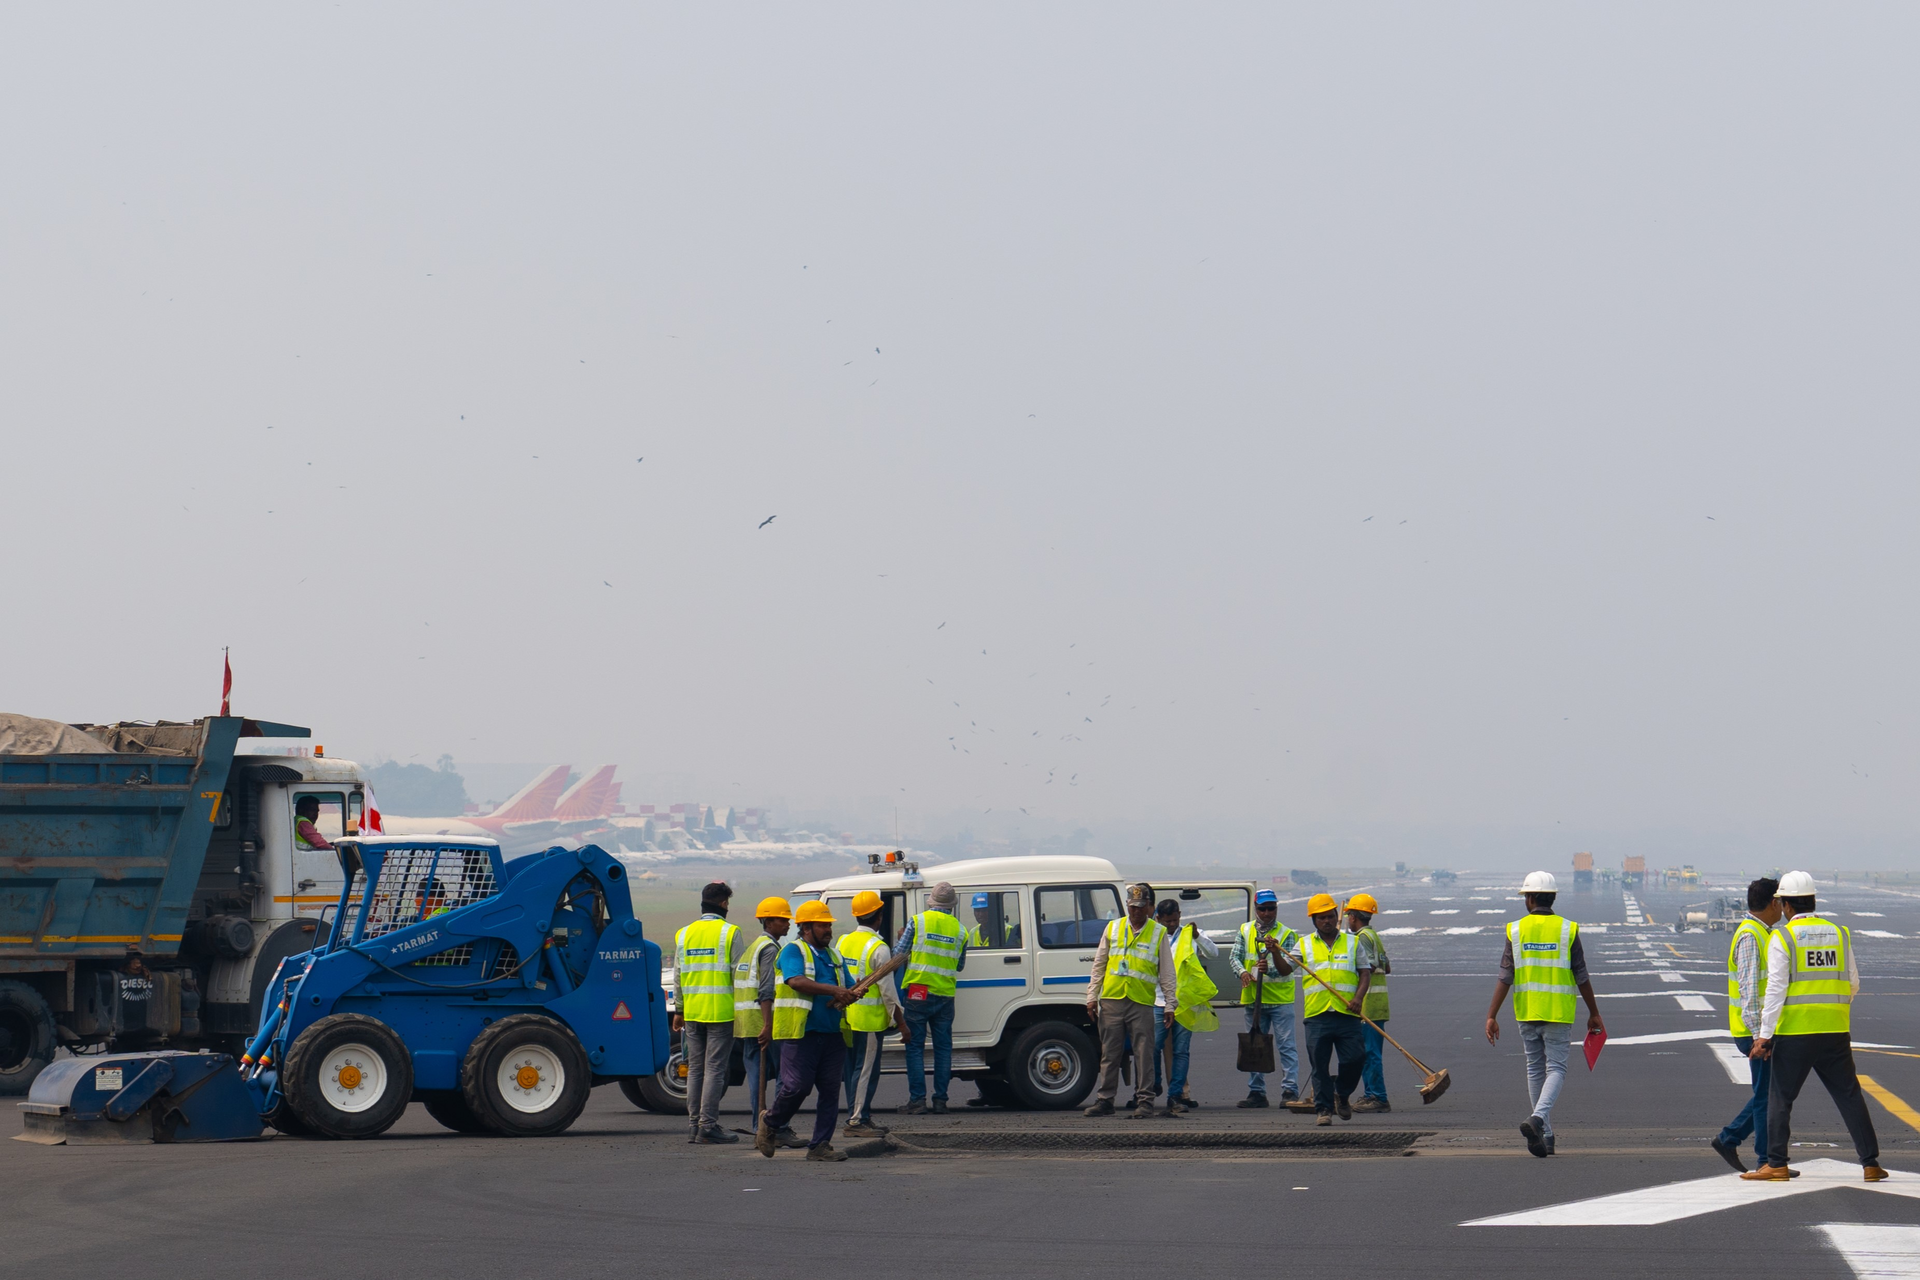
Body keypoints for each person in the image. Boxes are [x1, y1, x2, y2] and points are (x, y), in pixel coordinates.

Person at [1741, 870, 1886, 1183]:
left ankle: (1776, 1163)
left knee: (1781, 1097)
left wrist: (1764, 1036)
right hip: (1835, 1030)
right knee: (1850, 1095)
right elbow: (1853, 983)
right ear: (1813, 901)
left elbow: (1776, 989)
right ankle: (1871, 1163)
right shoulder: (1839, 932)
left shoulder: (1784, 937)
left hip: (1795, 1033)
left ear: (1787, 905)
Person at [1485, 871, 1605, 1157]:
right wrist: (1594, 1012)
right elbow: (1582, 975)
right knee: (1557, 1069)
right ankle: (1539, 1119)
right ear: (1552, 898)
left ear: (1529, 898)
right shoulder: (1567, 929)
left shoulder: (1515, 930)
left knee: (1535, 1068)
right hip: (1558, 1013)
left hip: (1526, 1011)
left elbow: (1505, 976)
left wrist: (1491, 1015)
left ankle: (1546, 1135)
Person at [757, 901, 859, 1162]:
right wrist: (836, 991)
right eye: (822, 925)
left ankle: (820, 1146)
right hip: (799, 1032)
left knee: (829, 1091)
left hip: (832, 1032)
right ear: (805, 927)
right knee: (797, 1087)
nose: (828, 930)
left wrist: (854, 992)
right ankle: (770, 1122)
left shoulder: (835, 956)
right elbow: (796, 981)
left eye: (829, 925)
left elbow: (847, 985)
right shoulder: (793, 951)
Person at [1084, 883, 1177, 1119]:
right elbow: (1099, 964)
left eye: (1140, 906)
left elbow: (1167, 971)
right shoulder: (1113, 928)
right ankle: (1105, 1100)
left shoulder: (1157, 932)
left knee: (1145, 1053)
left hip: (1141, 1002)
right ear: (1126, 906)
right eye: (1132, 907)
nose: (1136, 911)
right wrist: (1091, 996)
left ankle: (1145, 1101)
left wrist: (1169, 1003)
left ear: (1148, 907)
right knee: (1110, 1053)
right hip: (1113, 999)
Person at [1709, 878, 1781, 1172]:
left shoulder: (1761, 933)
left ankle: (1736, 1141)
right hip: (1754, 1031)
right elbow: (1750, 992)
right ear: (1774, 903)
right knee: (1766, 1096)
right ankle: (1763, 1158)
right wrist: (1759, 1037)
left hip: (1759, 1030)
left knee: (1768, 1093)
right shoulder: (1752, 936)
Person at [672, 881, 743, 1144]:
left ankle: (693, 1126)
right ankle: (708, 1125)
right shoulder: (730, 932)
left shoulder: (684, 933)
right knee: (715, 1070)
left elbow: (678, 976)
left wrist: (679, 1010)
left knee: (695, 1069)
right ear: (724, 904)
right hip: (721, 1013)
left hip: (691, 1012)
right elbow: (739, 975)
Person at [1295, 893, 1374, 1126]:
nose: (1326, 921)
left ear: (1336, 917)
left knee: (1356, 1058)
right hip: (1317, 1015)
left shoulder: (1353, 942)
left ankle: (1342, 1092)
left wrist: (1359, 998)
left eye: (1330, 916)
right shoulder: (1304, 944)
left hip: (1347, 1013)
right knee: (1319, 1065)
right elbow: (1283, 968)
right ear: (1314, 921)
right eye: (1321, 918)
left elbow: (1365, 973)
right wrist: (1275, 953)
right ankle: (1324, 1110)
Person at [894, 881, 968, 1115]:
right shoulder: (961, 930)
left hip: (919, 991)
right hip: (945, 994)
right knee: (943, 1048)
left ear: (931, 901)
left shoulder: (918, 921)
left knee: (915, 1047)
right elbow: (960, 965)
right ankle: (940, 1101)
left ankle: (917, 1101)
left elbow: (898, 955)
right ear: (952, 906)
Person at [839, 890, 907, 1137]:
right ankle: (857, 1121)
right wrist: (902, 1024)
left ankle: (858, 1116)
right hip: (868, 1022)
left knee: (852, 1070)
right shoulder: (879, 948)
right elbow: (889, 993)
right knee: (866, 1070)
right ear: (878, 916)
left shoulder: (843, 941)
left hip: (846, 1019)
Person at [737, 896, 803, 1148]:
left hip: (746, 1022)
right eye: (782, 920)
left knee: (757, 1078)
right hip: (762, 1022)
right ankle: (777, 1127)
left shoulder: (754, 946)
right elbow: (766, 990)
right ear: (769, 921)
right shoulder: (770, 949)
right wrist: (767, 1025)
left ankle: (759, 1127)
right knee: (784, 1076)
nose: (787, 924)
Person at [1230, 888, 1300, 1106]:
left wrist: (1267, 967)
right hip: (1254, 999)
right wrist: (1242, 972)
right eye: (1263, 909)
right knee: (1254, 1044)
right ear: (1255, 909)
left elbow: (1286, 968)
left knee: (1286, 1046)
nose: (1268, 913)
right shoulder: (1245, 930)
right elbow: (1235, 957)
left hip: (1280, 1000)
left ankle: (1290, 1090)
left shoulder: (1287, 934)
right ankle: (1257, 1092)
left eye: (1272, 908)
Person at [1152, 898, 1219, 1112]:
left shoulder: (1190, 934)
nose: (1171, 924)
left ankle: (1176, 1095)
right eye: (1167, 921)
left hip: (1184, 1003)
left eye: (1174, 919)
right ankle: (1154, 1084)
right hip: (1158, 1001)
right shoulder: (1153, 935)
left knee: (1181, 1051)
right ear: (1158, 918)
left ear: (1180, 915)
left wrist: (1198, 936)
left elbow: (1213, 953)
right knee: (1153, 1047)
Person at [1345, 893, 1392, 1113]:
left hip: (1369, 1004)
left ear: (1353, 916)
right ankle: (1370, 1093)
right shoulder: (1373, 936)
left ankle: (1378, 1097)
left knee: (1370, 1053)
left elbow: (1370, 967)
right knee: (1366, 1052)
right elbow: (1387, 966)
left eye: (1348, 916)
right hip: (1376, 1004)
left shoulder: (1362, 938)